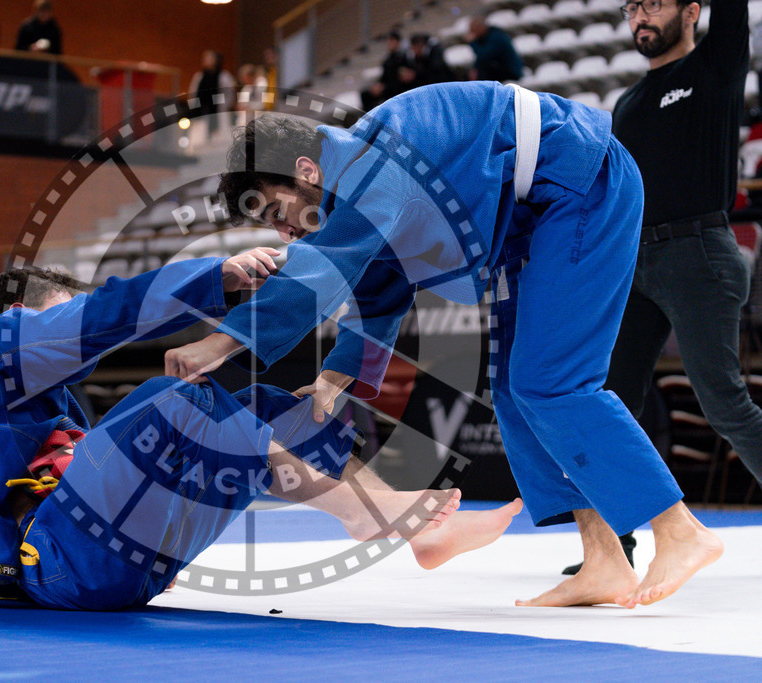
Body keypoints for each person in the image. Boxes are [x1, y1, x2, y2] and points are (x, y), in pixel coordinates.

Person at [164, 83, 725, 609]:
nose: (284, 233)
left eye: (276, 212)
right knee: (510, 388)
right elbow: (382, 284)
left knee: (550, 381)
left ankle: (679, 531)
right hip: (527, 225)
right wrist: (339, 373)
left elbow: (322, 269)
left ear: (306, 171)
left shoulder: (371, 158)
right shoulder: (358, 191)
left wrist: (223, 343)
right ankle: (605, 560)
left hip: (581, 182)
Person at [0, 251, 517, 610]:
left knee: (270, 402)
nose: (74, 336)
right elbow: (107, 315)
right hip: (60, 567)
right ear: (22, 315)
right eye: (62, 315)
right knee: (173, 401)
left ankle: (401, 524)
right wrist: (216, 275)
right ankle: (360, 511)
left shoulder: (58, 413)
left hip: (118, 573)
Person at [559, 0, 762, 579]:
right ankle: (613, 547)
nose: (640, 15)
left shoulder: (713, 68)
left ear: (692, 11)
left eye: (653, 4)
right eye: (632, 7)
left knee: (724, 402)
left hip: (700, 253)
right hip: (635, 261)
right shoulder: (628, 102)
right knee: (609, 402)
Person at [189, 50, 236, 135]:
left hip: (219, 113)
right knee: (198, 136)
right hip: (201, 112)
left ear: (216, 60)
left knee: (218, 138)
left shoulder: (224, 76)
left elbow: (230, 94)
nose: (205, 60)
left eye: (209, 58)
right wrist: (194, 107)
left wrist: (224, 106)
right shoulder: (199, 77)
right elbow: (193, 94)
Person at [465, 14, 524, 83]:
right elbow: (480, 59)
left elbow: (485, 56)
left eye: (473, 30)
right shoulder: (484, 38)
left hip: (511, 71)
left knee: (484, 71)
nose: (472, 34)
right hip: (499, 69)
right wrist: (474, 69)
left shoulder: (496, 37)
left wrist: (473, 43)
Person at [360, 31, 410, 111]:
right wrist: (378, 85)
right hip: (387, 86)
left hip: (397, 87)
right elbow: (384, 76)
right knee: (365, 94)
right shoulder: (388, 60)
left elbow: (402, 78)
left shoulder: (403, 58)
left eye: (392, 41)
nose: (390, 43)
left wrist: (384, 87)